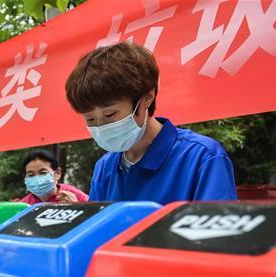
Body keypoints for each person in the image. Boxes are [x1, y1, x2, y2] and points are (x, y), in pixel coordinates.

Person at [65, 42, 236, 204]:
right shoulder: (105, 168)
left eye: (110, 115)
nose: (101, 127)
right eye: (91, 120)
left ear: (147, 97)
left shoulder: (201, 157)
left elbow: (218, 233)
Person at [19, 149, 89, 204]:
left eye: (43, 173)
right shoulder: (23, 206)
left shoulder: (75, 196)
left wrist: (77, 207)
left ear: (57, 173)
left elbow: (96, 215)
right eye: (31, 175)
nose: (37, 180)